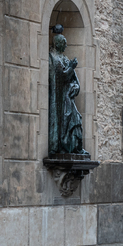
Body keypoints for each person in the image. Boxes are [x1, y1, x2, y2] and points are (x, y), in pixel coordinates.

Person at [48, 24, 88, 155]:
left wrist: (76, 86)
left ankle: (74, 146)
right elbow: (61, 76)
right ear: (58, 44)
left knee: (76, 118)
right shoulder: (54, 57)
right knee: (66, 120)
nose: (66, 46)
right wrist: (72, 67)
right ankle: (63, 145)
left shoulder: (64, 58)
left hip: (68, 97)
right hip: (60, 98)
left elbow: (73, 79)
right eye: (64, 43)